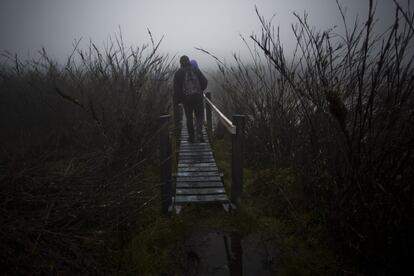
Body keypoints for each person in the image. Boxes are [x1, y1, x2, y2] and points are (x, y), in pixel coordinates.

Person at [173, 55, 208, 143]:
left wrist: (180, 99)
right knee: (199, 116)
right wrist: (200, 91)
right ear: (188, 61)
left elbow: (176, 89)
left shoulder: (178, 73)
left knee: (189, 118)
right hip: (197, 98)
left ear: (180, 63)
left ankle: (191, 137)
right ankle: (199, 133)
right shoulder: (195, 70)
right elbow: (205, 81)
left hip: (186, 99)